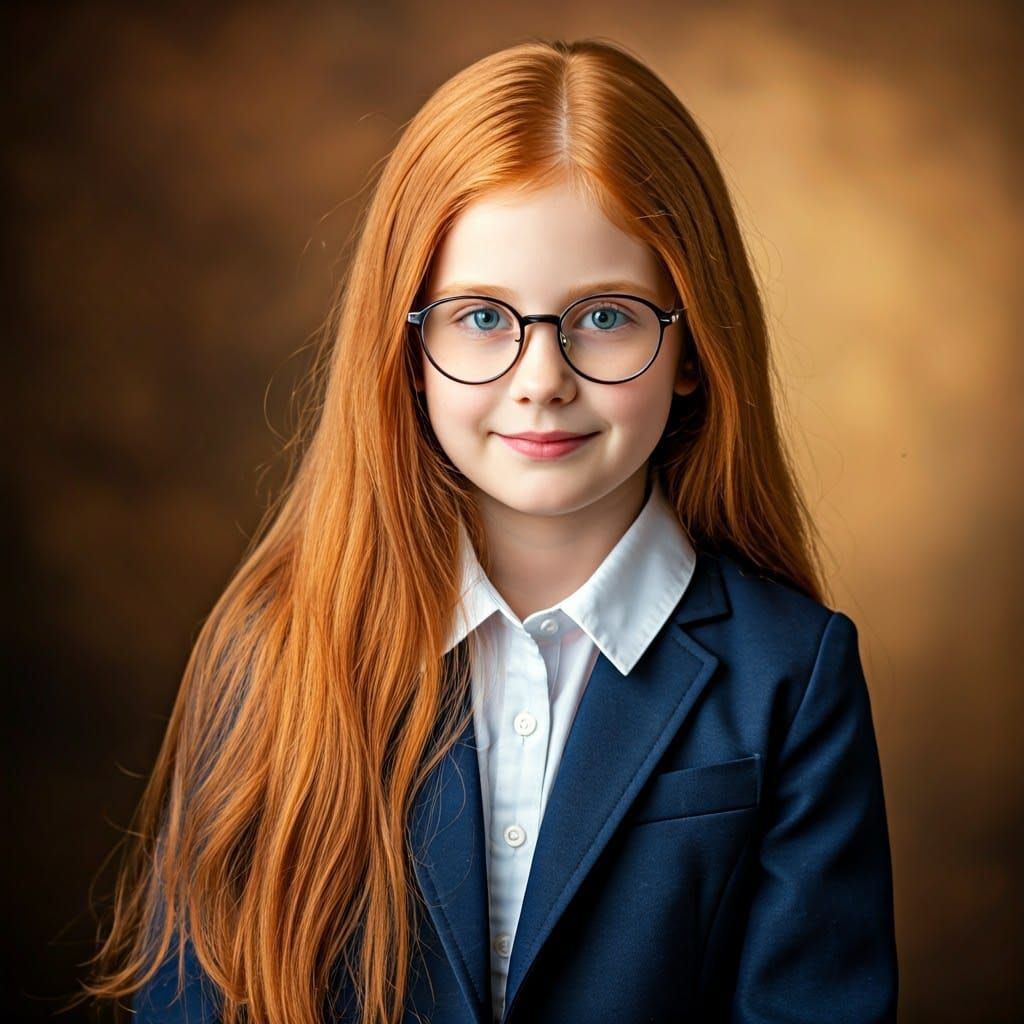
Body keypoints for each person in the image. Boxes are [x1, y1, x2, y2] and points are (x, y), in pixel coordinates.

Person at [82, 37, 898, 1024]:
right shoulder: (270, 648)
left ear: (693, 347)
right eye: (479, 317)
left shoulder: (790, 674)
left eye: (604, 315)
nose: (540, 377)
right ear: (408, 349)